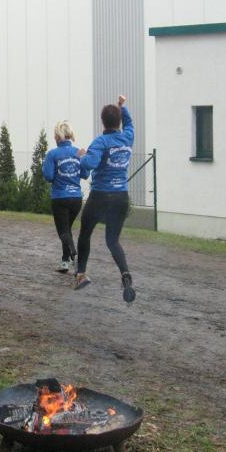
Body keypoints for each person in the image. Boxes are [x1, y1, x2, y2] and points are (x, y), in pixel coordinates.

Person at [74, 95, 136, 302]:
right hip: (121, 197)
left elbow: (88, 164)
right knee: (112, 240)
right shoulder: (128, 138)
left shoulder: (101, 142)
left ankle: (81, 275)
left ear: (102, 121)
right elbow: (130, 124)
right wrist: (122, 107)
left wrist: (81, 156)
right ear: (118, 122)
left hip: (101, 196)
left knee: (85, 233)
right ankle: (125, 274)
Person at [42, 120, 89, 273]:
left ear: (58, 136)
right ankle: (64, 261)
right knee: (67, 230)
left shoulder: (53, 154)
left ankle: (73, 255)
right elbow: (85, 174)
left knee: (63, 232)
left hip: (60, 198)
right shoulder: (79, 152)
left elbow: (48, 176)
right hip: (76, 198)